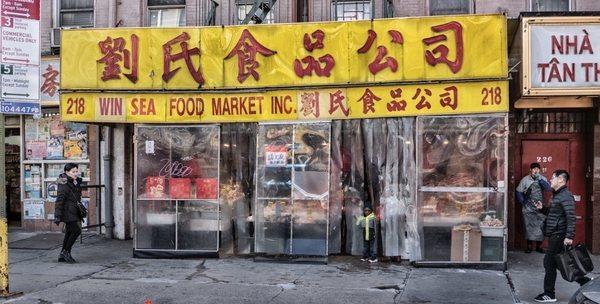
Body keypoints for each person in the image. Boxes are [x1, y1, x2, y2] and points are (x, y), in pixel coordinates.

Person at [534, 169, 591, 303]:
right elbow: (554, 213)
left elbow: (571, 217)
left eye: (553, 177)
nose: (550, 180)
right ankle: (585, 281)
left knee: (549, 263)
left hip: (559, 235)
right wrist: (542, 208)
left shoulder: (565, 195)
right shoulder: (557, 195)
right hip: (555, 234)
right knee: (559, 263)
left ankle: (549, 294)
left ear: (561, 179)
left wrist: (569, 236)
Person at [516, 163, 551, 253]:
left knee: (540, 226)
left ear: (539, 170)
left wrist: (540, 180)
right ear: (530, 170)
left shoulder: (542, 178)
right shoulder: (525, 180)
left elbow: (548, 188)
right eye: (534, 169)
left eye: (537, 169)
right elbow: (518, 191)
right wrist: (523, 201)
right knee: (528, 226)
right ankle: (529, 246)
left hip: (540, 207)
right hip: (528, 207)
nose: (535, 170)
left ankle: (539, 247)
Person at [54, 163, 84, 264]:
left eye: (77, 171)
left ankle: (63, 254)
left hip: (74, 211)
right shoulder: (63, 183)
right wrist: (57, 215)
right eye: (73, 172)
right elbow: (59, 200)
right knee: (76, 231)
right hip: (67, 212)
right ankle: (66, 252)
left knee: (69, 232)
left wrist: (77, 182)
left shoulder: (75, 182)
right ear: (67, 172)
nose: (76, 173)